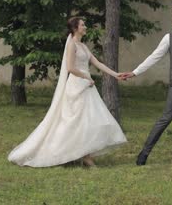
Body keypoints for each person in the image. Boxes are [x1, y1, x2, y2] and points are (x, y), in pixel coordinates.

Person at [8, 17, 127, 167]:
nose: (85, 27)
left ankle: (85, 154)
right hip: (77, 85)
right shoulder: (71, 45)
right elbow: (70, 68)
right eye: (83, 25)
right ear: (75, 28)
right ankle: (73, 154)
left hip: (87, 86)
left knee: (88, 120)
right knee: (73, 121)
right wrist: (85, 76)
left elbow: (97, 63)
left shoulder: (83, 46)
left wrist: (116, 75)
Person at [119, 6, 172, 166]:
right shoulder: (169, 38)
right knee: (165, 119)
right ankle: (143, 154)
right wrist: (135, 72)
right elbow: (153, 57)